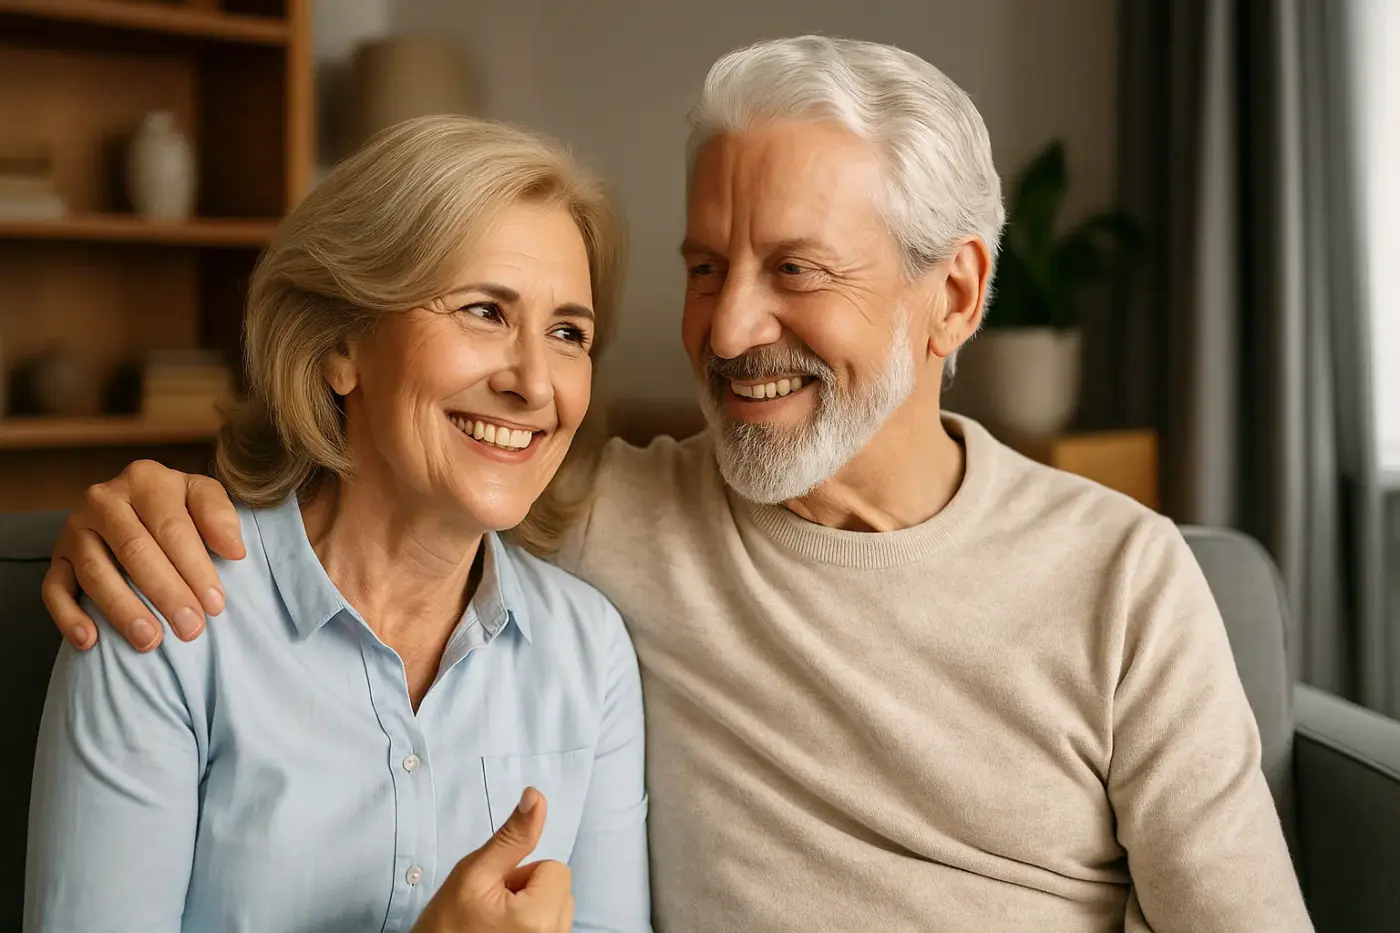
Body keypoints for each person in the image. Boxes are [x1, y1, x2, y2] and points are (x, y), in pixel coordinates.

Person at [39, 36, 1311, 933]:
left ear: (956, 294)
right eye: (706, 267)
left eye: (795, 269)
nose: (729, 328)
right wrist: (136, 505)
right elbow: (403, 482)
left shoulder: (1122, 577)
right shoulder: (596, 524)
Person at [25, 115, 650, 933]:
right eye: (483, 311)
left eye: (568, 332)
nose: (536, 383)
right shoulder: (169, 608)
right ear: (341, 344)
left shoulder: (590, 652)